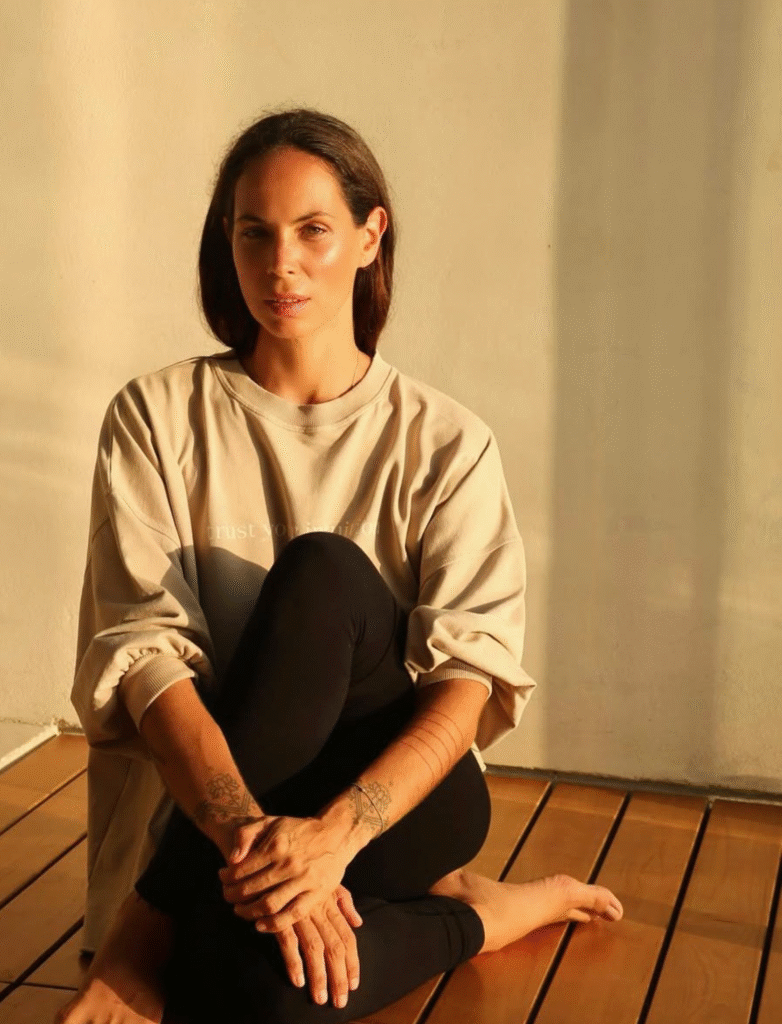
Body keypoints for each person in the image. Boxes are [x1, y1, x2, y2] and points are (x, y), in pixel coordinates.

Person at [56, 109, 623, 1024]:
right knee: (256, 999)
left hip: (395, 806)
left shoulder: (446, 443)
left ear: (369, 237)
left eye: (313, 230)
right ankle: (481, 916)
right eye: (254, 233)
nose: (281, 263)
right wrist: (260, 841)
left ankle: (150, 925)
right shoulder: (155, 417)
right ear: (228, 243)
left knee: (324, 576)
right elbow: (145, 657)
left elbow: (467, 681)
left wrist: (335, 835)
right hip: (216, 819)